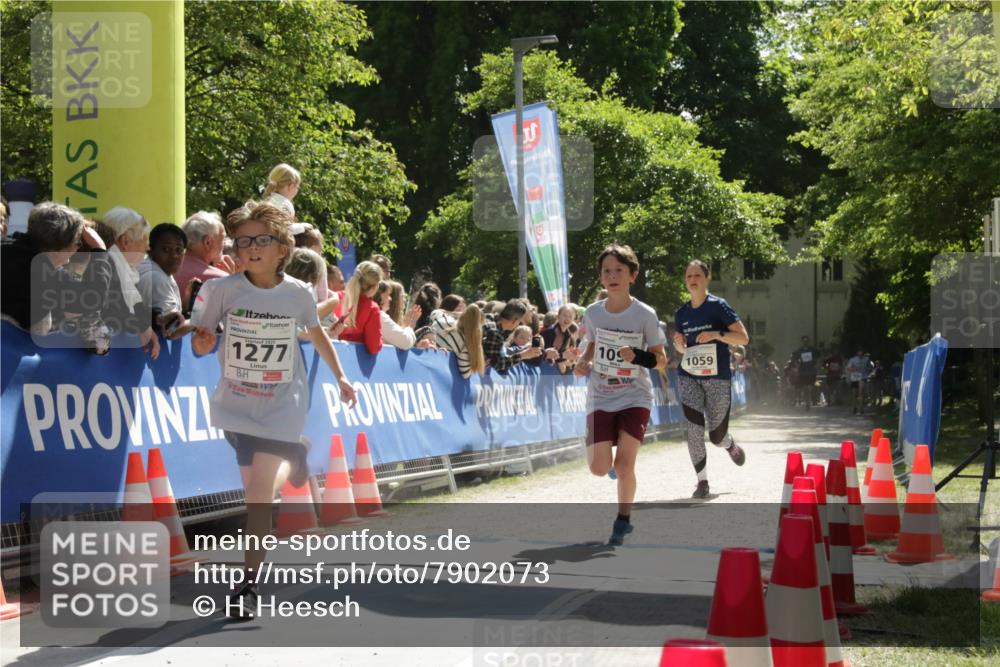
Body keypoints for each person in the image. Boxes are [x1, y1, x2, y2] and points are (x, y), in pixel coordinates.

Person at [191, 201, 356, 620]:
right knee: (260, 487)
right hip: (237, 404)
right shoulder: (223, 290)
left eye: (261, 240)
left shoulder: (297, 294)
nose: (251, 248)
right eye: (243, 241)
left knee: (258, 496)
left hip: (284, 400)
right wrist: (203, 343)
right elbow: (200, 339)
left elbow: (317, 335)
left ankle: (248, 583)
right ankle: (295, 455)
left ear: (282, 247)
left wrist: (340, 378)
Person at [575, 244, 667, 546]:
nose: (612, 276)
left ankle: (623, 521)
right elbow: (590, 344)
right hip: (601, 396)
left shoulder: (644, 314)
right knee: (599, 469)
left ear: (632, 275)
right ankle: (598, 444)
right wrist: (583, 361)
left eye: (618, 270)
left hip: (635, 396)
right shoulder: (592, 312)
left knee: (625, 466)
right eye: (606, 271)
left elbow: (661, 359)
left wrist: (638, 357)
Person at [672, 259, 749, 499]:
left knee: (716, 436)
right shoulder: (681, 313)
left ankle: (729, 444)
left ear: (707, 279)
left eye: (697, 275)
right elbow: (684, 350)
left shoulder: (719, 306)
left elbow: (743, 338)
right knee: (694, 428)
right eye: (688, 276)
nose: (692, 280)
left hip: (717, 377)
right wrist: (679, 347)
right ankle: (702, 482)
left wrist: (716, 334)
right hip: (689, 376)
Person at [1, 202, 109, 336]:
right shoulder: (43, 272)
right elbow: (93, 298)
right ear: (61, 244)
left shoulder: (7, 248)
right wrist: (99, 249)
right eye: (78, 243)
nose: (77, 249)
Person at [99, 207, 160, 358]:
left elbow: (137, 309)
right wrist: (142, 327)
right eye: (144, 239)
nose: (148, 247)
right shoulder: (105, 265)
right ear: (126, 241)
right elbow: (112, 311)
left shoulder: (122, 269)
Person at [138, 223, 190, 338]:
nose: (174, 255)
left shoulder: (152, 268)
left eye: (179, 250)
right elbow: (172, 331)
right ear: (150, 249)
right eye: (166, 249)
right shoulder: (157, 278)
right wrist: (203, 320)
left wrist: (186, 302)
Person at [176, 211, 230, 305]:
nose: (224, 244)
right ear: (208, 242)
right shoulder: (220, 280)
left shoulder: (166, 269)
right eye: (223, 238)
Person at [334, 260, 384, 355]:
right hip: (353, 364)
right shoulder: (372, 308)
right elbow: (374, 347)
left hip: (328, 360)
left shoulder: (335, 298)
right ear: (375, 287)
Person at [481, 299, 543, 372]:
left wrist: (521, 349)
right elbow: (497, 364)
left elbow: (501, 352)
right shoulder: (495, 332)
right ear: (514, 321)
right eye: (519, 322)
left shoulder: (489, 318)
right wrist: (522, 355)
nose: (518, 326)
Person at [437, 304, 486, 379]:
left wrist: (455, 314)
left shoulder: (445, 320)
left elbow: (435, 312)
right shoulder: (463, 345)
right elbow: (465, 374)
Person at [377, 280, 420, 350]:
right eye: (402, 295)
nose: (405, 299)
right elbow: (405, 341)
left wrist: (406, 326)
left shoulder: (384, 318)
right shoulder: (381, 317)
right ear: (395, 298)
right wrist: (408, 327)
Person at [791, 335, 820, 410]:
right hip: (803, 371)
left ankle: (811, 399)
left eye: (807, 340)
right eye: (804, 341)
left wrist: (817, 365)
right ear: (802, 341)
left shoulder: (813, 349)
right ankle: (807, 403)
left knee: (811, 387)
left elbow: (819, 357)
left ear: (808, 341)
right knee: (805, 387)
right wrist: (798, 365)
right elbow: (794, 359)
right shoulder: (799, 350)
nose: (805, 342)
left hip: (811, 371)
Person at [845, 349, 873, 415]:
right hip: (855, 377)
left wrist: (868, 372)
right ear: (857, 353)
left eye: (861, 352)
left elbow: (870, 367)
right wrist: (854, 369)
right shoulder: (853, 359)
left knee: (861, 392)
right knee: (854, 393)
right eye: (859, 352)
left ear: (863, 353)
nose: (860, 353)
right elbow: (848, 368)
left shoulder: (867, 359)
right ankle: (854, 407)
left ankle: (861, 408)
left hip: (863, 377)